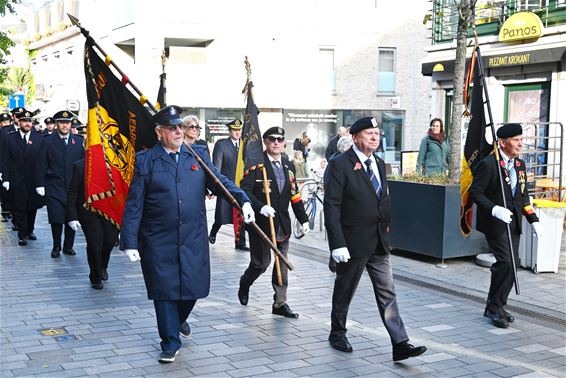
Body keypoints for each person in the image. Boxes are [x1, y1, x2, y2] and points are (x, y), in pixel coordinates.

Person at [120, 105, 254, 363]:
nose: (179, 131)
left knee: (193, 288)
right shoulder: (146, 161)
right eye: (173, 128)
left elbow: (221, 181)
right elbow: (134, 203)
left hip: (192, 237)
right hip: (158, 239)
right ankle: (169, 341)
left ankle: (176, 321)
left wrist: (243, 200)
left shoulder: (197, 155)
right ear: (160, 132)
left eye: (181, 127)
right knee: (164, 291)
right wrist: (129, 241)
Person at [324, 117, 426, 361]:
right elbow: (332, 206)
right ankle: (337, 332)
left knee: (387, 291)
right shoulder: (340, 164)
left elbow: (382, 198)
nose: (374, 137)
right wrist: (337, 244)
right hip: (352, 242)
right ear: (356, 137)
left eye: (377, 133)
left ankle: (400, 343)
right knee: (345, 289)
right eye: (369, 133)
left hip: (379, 241)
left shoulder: (379, 163)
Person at [470, 123, 542, 329]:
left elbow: (522, 196)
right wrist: (495, 209)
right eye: (516, 140)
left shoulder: (519, 165)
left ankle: (496, 305)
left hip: (514, 222)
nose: (521, 143)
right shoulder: (489, 164)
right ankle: (495, 307)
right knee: (505, 263)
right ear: (502, 143)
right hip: (496, 223)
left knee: (513, 265)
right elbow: (476, 193)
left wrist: (533, 220)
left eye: (521, 139)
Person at [238, 126, 310, 318]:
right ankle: (245, 282)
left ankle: (280, 303)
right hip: (261, 224)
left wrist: (303, 219)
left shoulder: (288, 165)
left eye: (279, 139)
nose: (276, 143)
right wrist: (260, 206)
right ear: (265, 142)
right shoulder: (255, 165)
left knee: (282, 263)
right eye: (272, 139)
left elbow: (294, 195)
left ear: (284, 143)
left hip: (282, 224)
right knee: (261, 264)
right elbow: (243, 191)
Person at [35, 110, 85, 258]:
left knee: (72, 216)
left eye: (67, 123)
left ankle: (68, 246)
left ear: (71, 124)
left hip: (73, 186)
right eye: (62, 123)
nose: (65, 125)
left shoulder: (79, 141)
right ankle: (56, 245)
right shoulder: (47, 141)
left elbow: (84, 164)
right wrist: (39, 184)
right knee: (56, 218)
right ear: (56, 124)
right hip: (54, 185)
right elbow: (41, 163)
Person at [67, 158, 118, 290]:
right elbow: (73, 192)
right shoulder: (79, 166)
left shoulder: (115, 164)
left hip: (110, 212)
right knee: (95, 244)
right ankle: (95, 276)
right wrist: (72, 216)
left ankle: (102, 266)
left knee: (109, 241)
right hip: (88, 213)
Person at [1, 109, 45, 245]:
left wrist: (41, 182)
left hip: (33, 179)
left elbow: (42, 160)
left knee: (32, 207)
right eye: (24, 121)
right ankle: (22, 234)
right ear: (19, 122)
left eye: (29, 121)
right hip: (17, 179)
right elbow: (5, 159)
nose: (27, 124)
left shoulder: (39, 137)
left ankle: (29, 230)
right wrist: (6, 178)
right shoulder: (10, 137)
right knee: (19, 207)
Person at [208, 119, 249, 251]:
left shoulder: (244, 145)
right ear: (229, 131)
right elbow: (216, 167)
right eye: (234, 130)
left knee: (241, 214)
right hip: (226, 185)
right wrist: (215, 188)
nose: (237, 133)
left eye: (239, 130)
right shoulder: (221, 145)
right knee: (222, 215)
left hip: (241, 186)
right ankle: (214, 230)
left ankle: (240, 242)